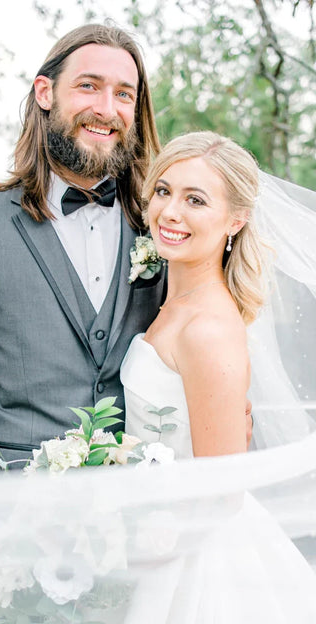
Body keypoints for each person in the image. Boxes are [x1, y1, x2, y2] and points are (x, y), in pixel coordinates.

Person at [0, 23, 167, 473]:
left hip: (140, 509)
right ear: (45, 92)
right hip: (17, 513)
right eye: (88, 87)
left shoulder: (162, 228)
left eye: (124, 94)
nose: (106, 109)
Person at [120, 131, 316, 621]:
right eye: (163, 191)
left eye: (195, 200)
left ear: (236, 219)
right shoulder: (175, 303)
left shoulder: (207, 328)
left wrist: (143, 553)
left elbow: (221, 493)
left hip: (190, 558)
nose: (169, 212)